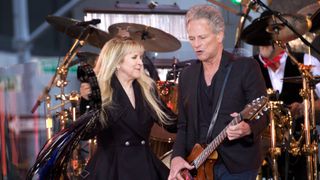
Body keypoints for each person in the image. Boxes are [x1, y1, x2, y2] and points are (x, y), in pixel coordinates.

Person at [168, 4, 268, 180]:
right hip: (197, 165)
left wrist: (247, 128)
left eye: (202, 37)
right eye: (191, 38)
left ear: (220, 35)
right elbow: (183, 125)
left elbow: (264, 114)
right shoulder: (187, 75)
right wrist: (176, 158)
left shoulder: (245, 68)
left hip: (236, 166)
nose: (196, 44)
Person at [79, 37, 177, 180]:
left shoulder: (147, 90)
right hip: (111, 169)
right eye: (134, 57)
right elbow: (86, 133)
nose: (140, 62)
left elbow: (170, 122)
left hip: (144, 166)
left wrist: (196, 121)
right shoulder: (101, 92)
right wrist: (86, 101)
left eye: (140, 57)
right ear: (117, 62)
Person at [253, 42, 320, 179]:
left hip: (300, 146)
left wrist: (304, 107)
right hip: (264, 150)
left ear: (281, 38)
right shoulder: (249, 65)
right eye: (259, 38)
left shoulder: (305, 61)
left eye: (266, 37)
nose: (262, 41)